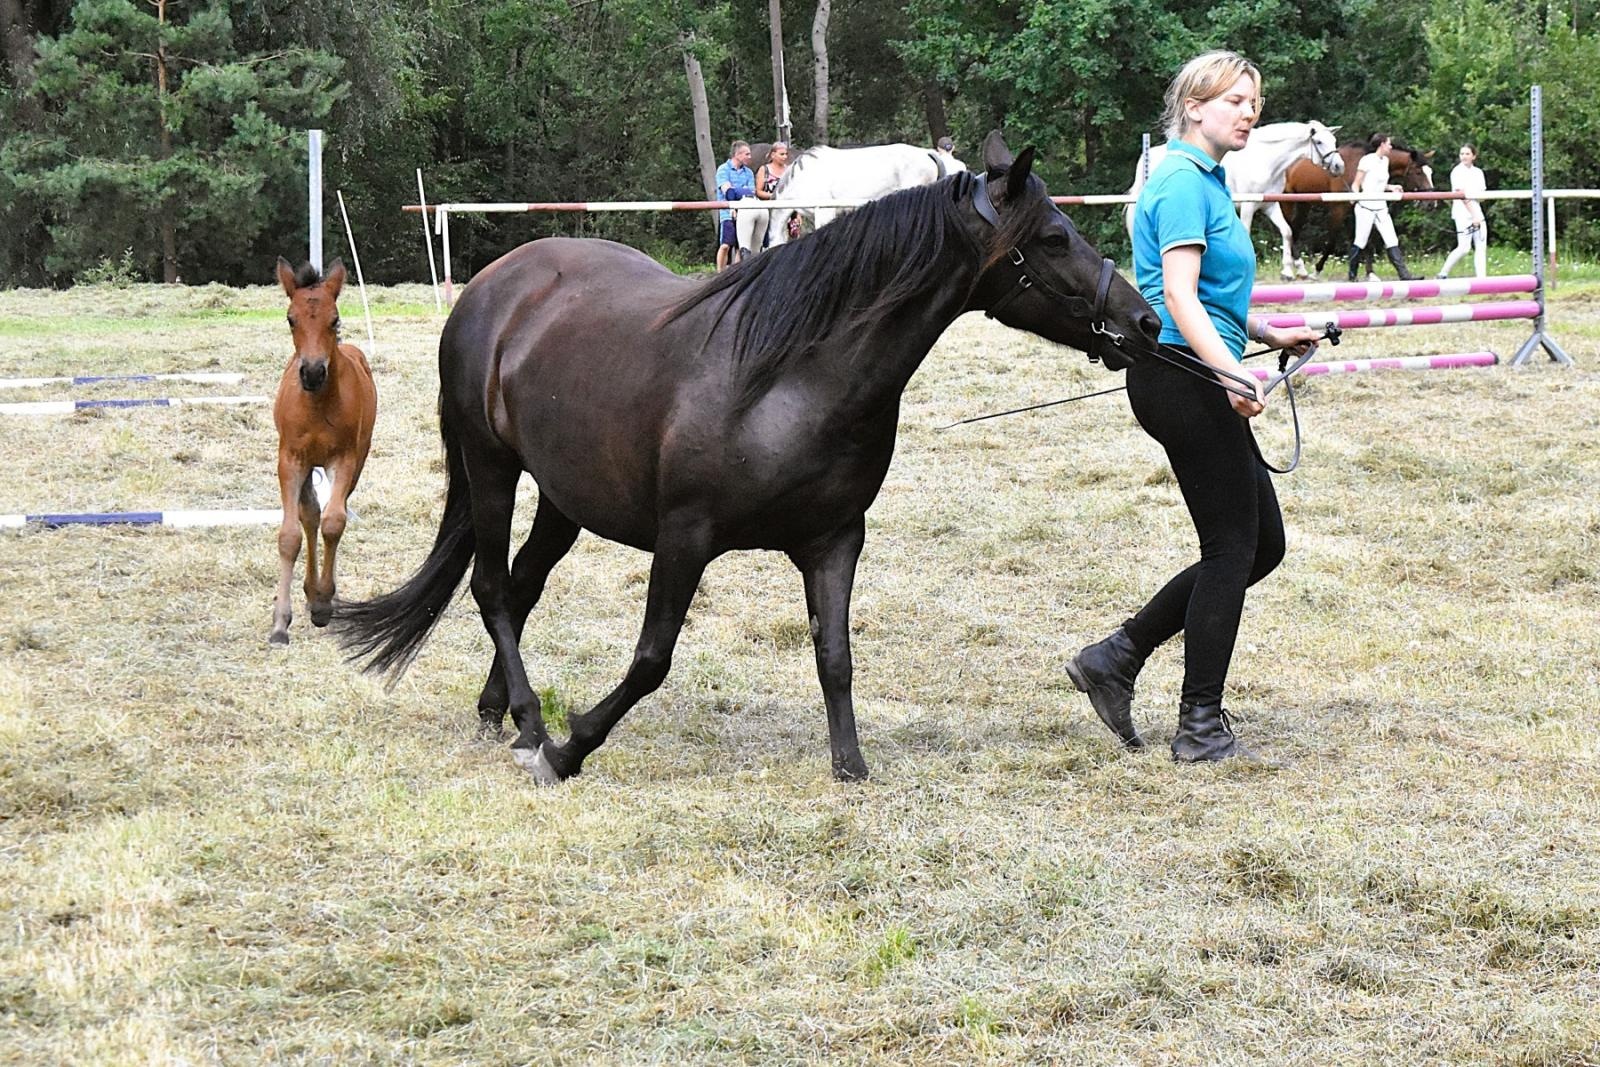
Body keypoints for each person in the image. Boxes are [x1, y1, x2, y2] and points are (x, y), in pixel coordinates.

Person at [1066, 50, 1320, 762]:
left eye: (1254, 102)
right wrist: (1234, 372)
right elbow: (1176, 296)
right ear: (1194, 106)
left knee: (1259, 545)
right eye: (1235, 100)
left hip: (1197, 369)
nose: (1249, 112)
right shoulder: (1180, 181)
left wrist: (1266, 332)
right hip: (1183, 379)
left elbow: (1210, 294)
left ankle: (1116, 657)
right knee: (1232, 547)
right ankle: (1199, 725)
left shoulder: (1208, 180)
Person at [1348, 134, 1417, 281]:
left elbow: (1378, 183)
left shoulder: (1385, 161)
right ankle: (1352, 275)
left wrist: (1391, 187)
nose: (1391, 147)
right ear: (1381, 144)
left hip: (1381, 206)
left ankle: (1404, 275)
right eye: (1389, 144)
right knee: (1360, 241)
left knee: (1391, 239)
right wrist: (1354, 196)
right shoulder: (1367, 160)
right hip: (1366, 206)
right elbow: (1357, 183)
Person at [1438, 143, 1488, 279]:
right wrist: (1474, 215)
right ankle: (1443, 272)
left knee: (1481, 246)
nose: (1464, 156)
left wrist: (1477, 214)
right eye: (1462, 154)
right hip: (1463, 213)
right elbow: (1461, 195)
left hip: (1477, 212)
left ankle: (1482, 279)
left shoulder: (1478, 172)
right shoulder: (1457, 172)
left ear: (1474, 156)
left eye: (1467, 154)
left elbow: (1482, 195)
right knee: (1464, 248)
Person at [738, 142, 790, 256]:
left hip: (786, 210)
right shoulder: (764, 170)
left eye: (786, 154)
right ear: (773, 155)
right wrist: (773, 197)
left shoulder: (789, 171)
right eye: (782, 154)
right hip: (767, 210)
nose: (785, 157)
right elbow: (758, 191)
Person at [714, 141, 756, 271]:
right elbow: (727, 191)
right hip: (727, 212)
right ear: (737, 155)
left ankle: (734, 273)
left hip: (744, 212)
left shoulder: (748, 172)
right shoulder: (723, 169)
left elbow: (752, 192)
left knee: (740, 246)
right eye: (747, 154)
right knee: (726, 245)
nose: (750, 157)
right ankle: (719, 273)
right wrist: (741, 191)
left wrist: (735, 191)